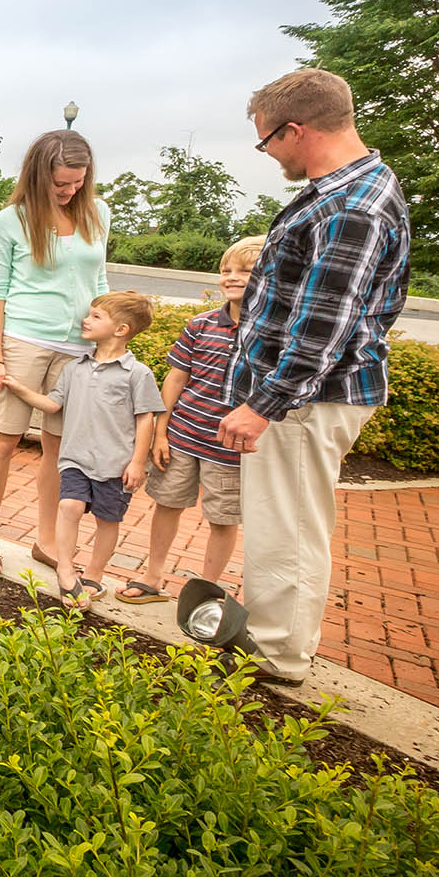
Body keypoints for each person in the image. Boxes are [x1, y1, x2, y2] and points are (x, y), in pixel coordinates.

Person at [214, 69, 409, 685]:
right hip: (300, 398)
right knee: (280, 524)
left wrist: (264, 404)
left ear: (296, 130)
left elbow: (322, 325)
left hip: (306, 400)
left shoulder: (352, 207)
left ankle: (277, 658)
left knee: (290, 529)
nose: (268, 153)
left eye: (267, 141)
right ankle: (270, 639)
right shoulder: (343, 191)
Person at [0, 130, 111, 577]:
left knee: (59, 449)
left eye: (77, 181)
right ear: (37, 175)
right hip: (25, 342)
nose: (69, 190)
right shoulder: (10, 220)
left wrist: (108, 340)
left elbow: (100, 282)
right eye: (60, 184)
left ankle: (46, 539)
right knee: (6, 438)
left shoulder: (98, 214)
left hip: (78, 349)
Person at [116, 236, 265, 604]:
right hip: (183, 436)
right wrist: (160, 432)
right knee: (167, 504)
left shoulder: (271, 333)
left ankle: (205, 591)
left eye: (245, 271)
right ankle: (153, 577)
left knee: (222, 518)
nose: (232, 277)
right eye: (226, 270)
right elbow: (176, 379)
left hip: (231, 449)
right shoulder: (201, 325)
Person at [0, 291, 164, 602]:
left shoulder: (138, 374)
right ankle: (65, 570)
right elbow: (51, 405)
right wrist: (19, 387)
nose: (85, 320)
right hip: (75, 458)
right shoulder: (75, 368)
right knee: (68, 506)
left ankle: (94, 575)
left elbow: (146, 421)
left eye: (96, 316)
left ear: (121, 330)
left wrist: (137, 462)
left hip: (116, 464)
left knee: (107, 520)